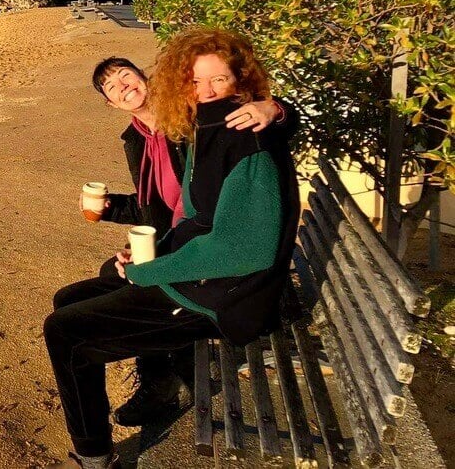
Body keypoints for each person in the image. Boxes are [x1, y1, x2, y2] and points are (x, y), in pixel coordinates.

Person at [44, 29, 300, 468]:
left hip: (222, 294)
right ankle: (154, 383)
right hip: (195, 266)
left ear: (243, 80)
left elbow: (241, 249)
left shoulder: (238, 131)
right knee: (70, 300)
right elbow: (182, 213)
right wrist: (145, 246)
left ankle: (95, 455)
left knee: (65, 330)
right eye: (195, 82)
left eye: (218, 80)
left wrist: (273, 108)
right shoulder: (193, 126)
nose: (205, 91)